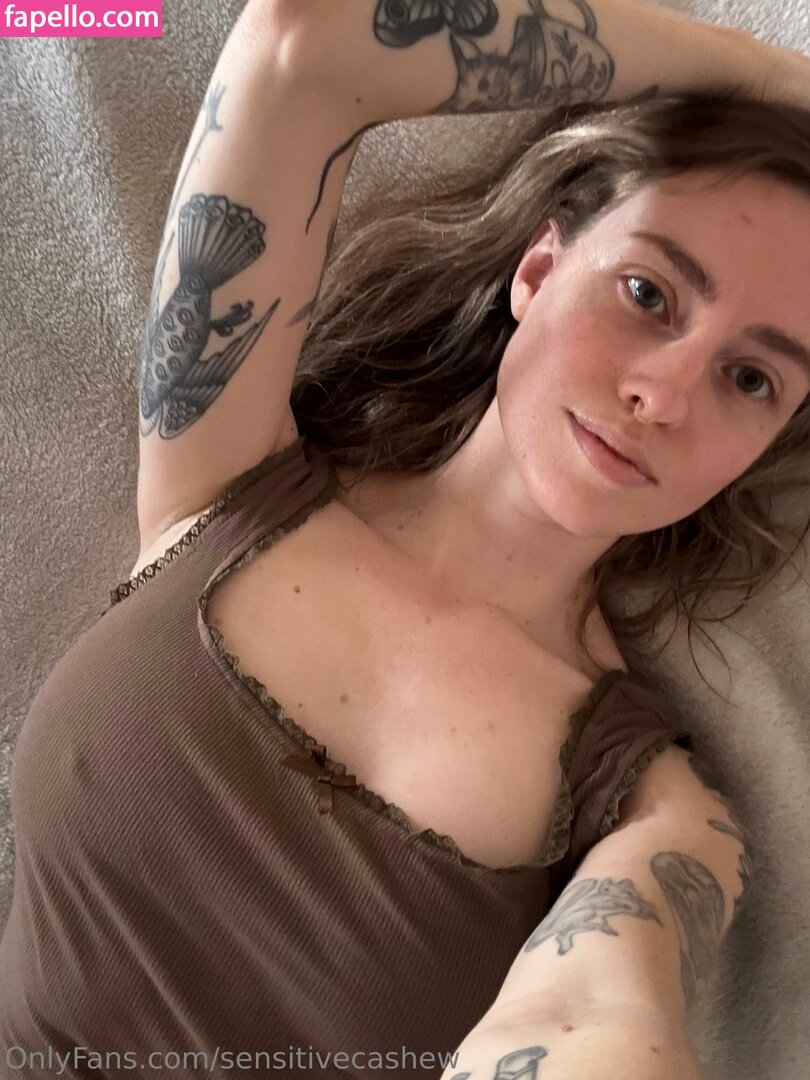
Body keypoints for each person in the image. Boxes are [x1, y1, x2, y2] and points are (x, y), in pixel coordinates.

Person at [0, 0, 808, 1077]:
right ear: (536, 271)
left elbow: (600, 1015)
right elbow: (300, 47)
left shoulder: (657, 810)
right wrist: (773, 77)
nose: (661, 395)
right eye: (646, 292)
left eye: (750, 378)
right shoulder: (224, 466)